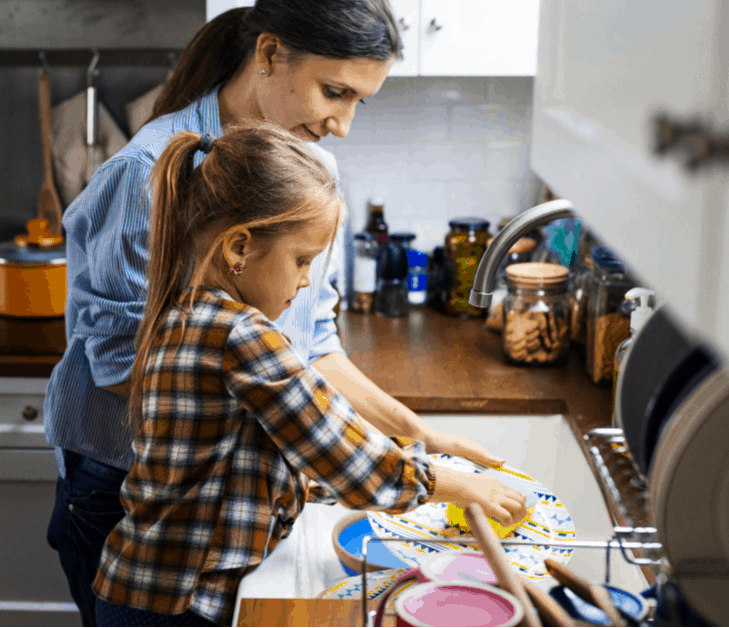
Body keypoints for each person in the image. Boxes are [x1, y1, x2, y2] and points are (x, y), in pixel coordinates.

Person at [45, 1, 509, 624]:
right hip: (128, 496)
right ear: (268, 55)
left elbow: (312, 345)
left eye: (358, 102)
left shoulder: (310, 174)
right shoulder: (144, 174)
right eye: (333, 91)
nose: (341, 124)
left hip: (230, 501)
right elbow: (127, 369)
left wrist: (413, 432)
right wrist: (325, 446)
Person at [91, 125, 528, 627]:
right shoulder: (240, 335)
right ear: (239, 248)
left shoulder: (186, 313)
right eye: (302, 260)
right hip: (175, 605)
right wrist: (466, 487)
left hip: (146, 591)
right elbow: (345, 455)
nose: (304, 281)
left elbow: (267, 464)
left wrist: (404, 469)